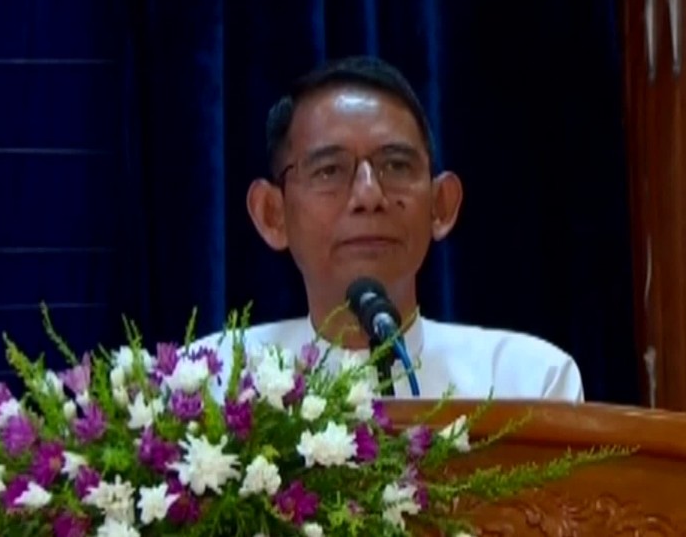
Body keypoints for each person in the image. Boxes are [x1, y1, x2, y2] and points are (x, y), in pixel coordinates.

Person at [194, 55, 583, 403]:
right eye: (329, 171)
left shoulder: (527, 382)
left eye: (396, 166)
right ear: (272, 214)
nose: (368, 195)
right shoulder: (210, 384)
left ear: (441, 205)